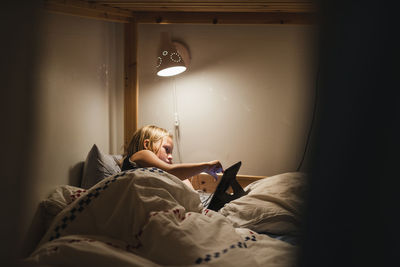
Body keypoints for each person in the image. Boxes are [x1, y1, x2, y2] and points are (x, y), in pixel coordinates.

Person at [121, 125, 223, 190]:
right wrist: (206, 166)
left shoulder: (158, 172)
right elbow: (170, 171)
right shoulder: (141, 154)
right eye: (167, 150)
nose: (170, 157)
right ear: (147, 145)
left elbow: (190, 194)